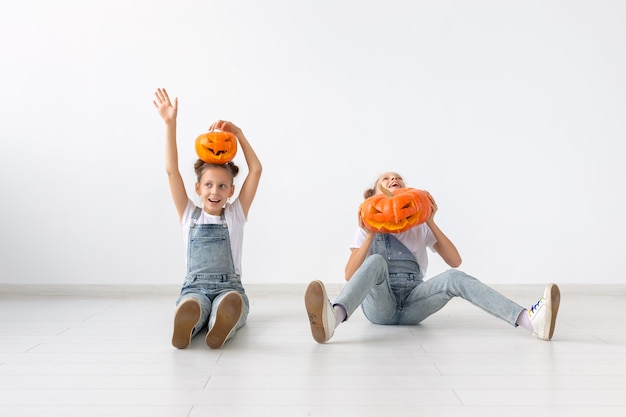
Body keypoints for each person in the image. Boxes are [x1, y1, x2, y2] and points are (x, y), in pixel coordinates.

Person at [305, 172, 560, 344]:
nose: (394, 179)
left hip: (414, 303)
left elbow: (455, 261)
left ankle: (529, 320)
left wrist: (431, 221)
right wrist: (371, 234)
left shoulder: (421, 226)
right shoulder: (365, 228)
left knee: (454, 277)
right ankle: (333, 318)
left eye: (399, 179)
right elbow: (350, 275)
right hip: (381, 307)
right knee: (376, 261)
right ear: (374, 196)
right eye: (387, 179)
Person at [153, 88, 262, 349]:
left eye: (223, 186)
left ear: (232, 191)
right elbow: (171, 172)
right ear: (198, 188)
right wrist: (170, 123)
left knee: (230, 299)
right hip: (195, 287)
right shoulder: (189, 214)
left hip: (229, 288)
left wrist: (238, 134)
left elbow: (256, 170)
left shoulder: (235, 214)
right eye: (209, 185)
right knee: (195, 303)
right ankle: (191, 316)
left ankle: (220, 320)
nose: (215, 191)